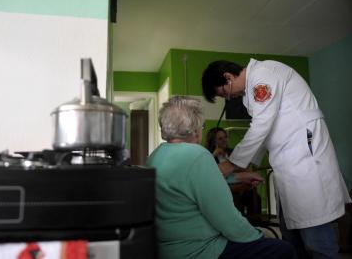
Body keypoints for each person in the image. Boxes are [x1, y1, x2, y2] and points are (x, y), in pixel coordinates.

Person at [202, 59, 352, 259]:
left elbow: (262, 125)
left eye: (224, 93)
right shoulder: (253, 89)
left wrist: (232, 164)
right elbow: (265, 131)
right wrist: (245, 166)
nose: (228, 98)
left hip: (306, 162)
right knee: (292, 237)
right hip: (289, 167)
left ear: (228, 78)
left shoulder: (263, 75)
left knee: (317, 240)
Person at [146, 96, 296, 259]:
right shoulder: (197, 155)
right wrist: (258, 234)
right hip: (200, 250)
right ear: (195, 128)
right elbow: (227, 220)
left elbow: (189, 185)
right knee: (283, 249)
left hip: (167, 249)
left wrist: (238, 178)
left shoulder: (155, 156)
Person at [205, 127, 261, 216]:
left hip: (238, 183)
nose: (224, 140)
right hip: (222, 187)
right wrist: (214, 154)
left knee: (254, 196)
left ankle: (254, 224)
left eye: (225, 137)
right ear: (213, 141)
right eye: (220, 139)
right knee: (233, 196)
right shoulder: (207, 154)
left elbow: (243, 167)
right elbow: (206, 171)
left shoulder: (232, 152)